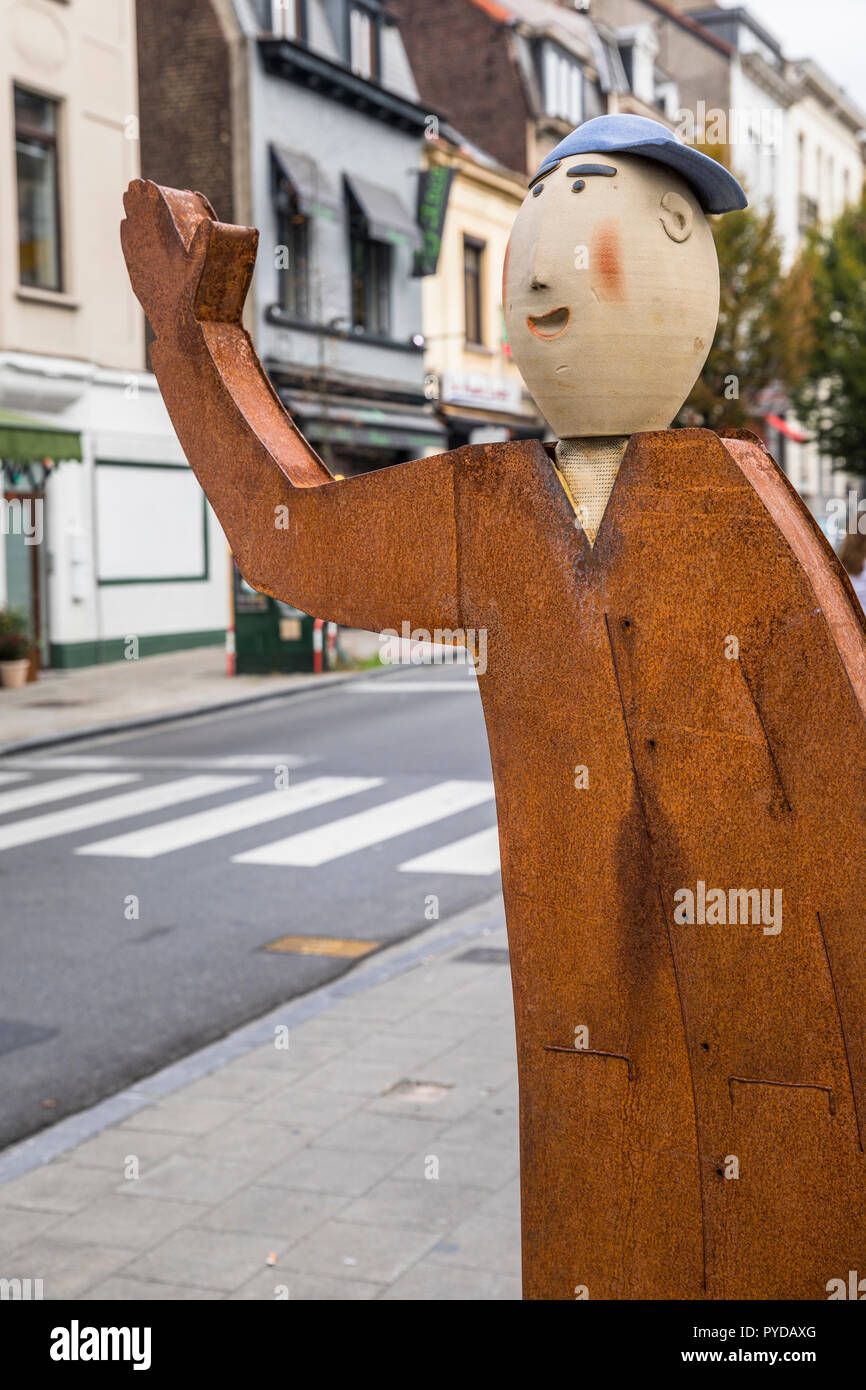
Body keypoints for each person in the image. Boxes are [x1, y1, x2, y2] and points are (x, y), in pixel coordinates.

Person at [122, 115, 866, 1300]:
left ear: (680, 247)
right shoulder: (485, 505)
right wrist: (187, 332)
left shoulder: (733, 511)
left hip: (783, 1063)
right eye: (535, 222)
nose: (539, 265)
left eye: (591, 215)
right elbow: (290, 536)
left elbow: (841, 783)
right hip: (580, 1045)